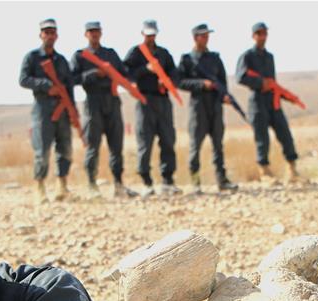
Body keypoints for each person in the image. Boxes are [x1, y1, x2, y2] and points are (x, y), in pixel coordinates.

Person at [70, 21, 137, 199]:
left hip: (112, 100)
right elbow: (72, 78)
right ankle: (92, 185)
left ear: (101, 33)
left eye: (97, 31)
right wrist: (93, 74)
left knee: (116, 145)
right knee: (93, 146)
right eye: (91, 31)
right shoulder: (80, 56)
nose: (94, 34)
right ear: (86, 34)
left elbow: (124, 73)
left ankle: (119, 184)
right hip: (93, 102)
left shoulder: (110, 54)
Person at [236, 22, 300, 184]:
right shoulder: (247, 56)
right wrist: (260, 83)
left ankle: (292, 168)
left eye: (264, 33)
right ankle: (264, 171)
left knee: (284, 133)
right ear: (253, 36)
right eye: (259, 33)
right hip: (257, 100)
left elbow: (273, 81)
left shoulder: (269, 57)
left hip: (273, 100)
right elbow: (240, 77)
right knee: (261, 137)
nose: (262, 37)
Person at [177, 23, 238, 194]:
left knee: (218, 143)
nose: (206, 38)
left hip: (215, 105)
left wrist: (224, 96)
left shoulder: (215, 58)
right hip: (198, 105)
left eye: (207, 35)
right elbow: (180, 82)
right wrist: (201, 84)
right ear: (195, 37)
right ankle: (195, 182)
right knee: (195, 145)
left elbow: (222, 82)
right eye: (203, 35)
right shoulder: (187, 59)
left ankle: (222, 180)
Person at [19, 18, 76, 201]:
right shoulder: (32, 57)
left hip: (63, 110)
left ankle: (62, 185)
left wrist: (73, 111)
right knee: (42, 150)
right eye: (46, 32)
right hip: (43, 109)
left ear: (56, 35)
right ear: (41, 35)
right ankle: (40, 187)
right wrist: (45, 85)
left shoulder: (61, 60)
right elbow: (23, 79)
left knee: (65, 148)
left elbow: (69, 88)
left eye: (52, 32)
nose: (49, 35)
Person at [124, 19, 181, 197]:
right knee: (145, 142)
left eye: (153, 35)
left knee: (168, 139)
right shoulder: (135, 53)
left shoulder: (164, 53)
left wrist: (168, 82)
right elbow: (126, 72)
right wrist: (145, 69)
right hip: (145, 100)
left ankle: (168, 180)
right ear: (142, 34)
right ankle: (146, 181)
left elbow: (175, 73)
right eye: (147, 35)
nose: (150, 38)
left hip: (163, 101)